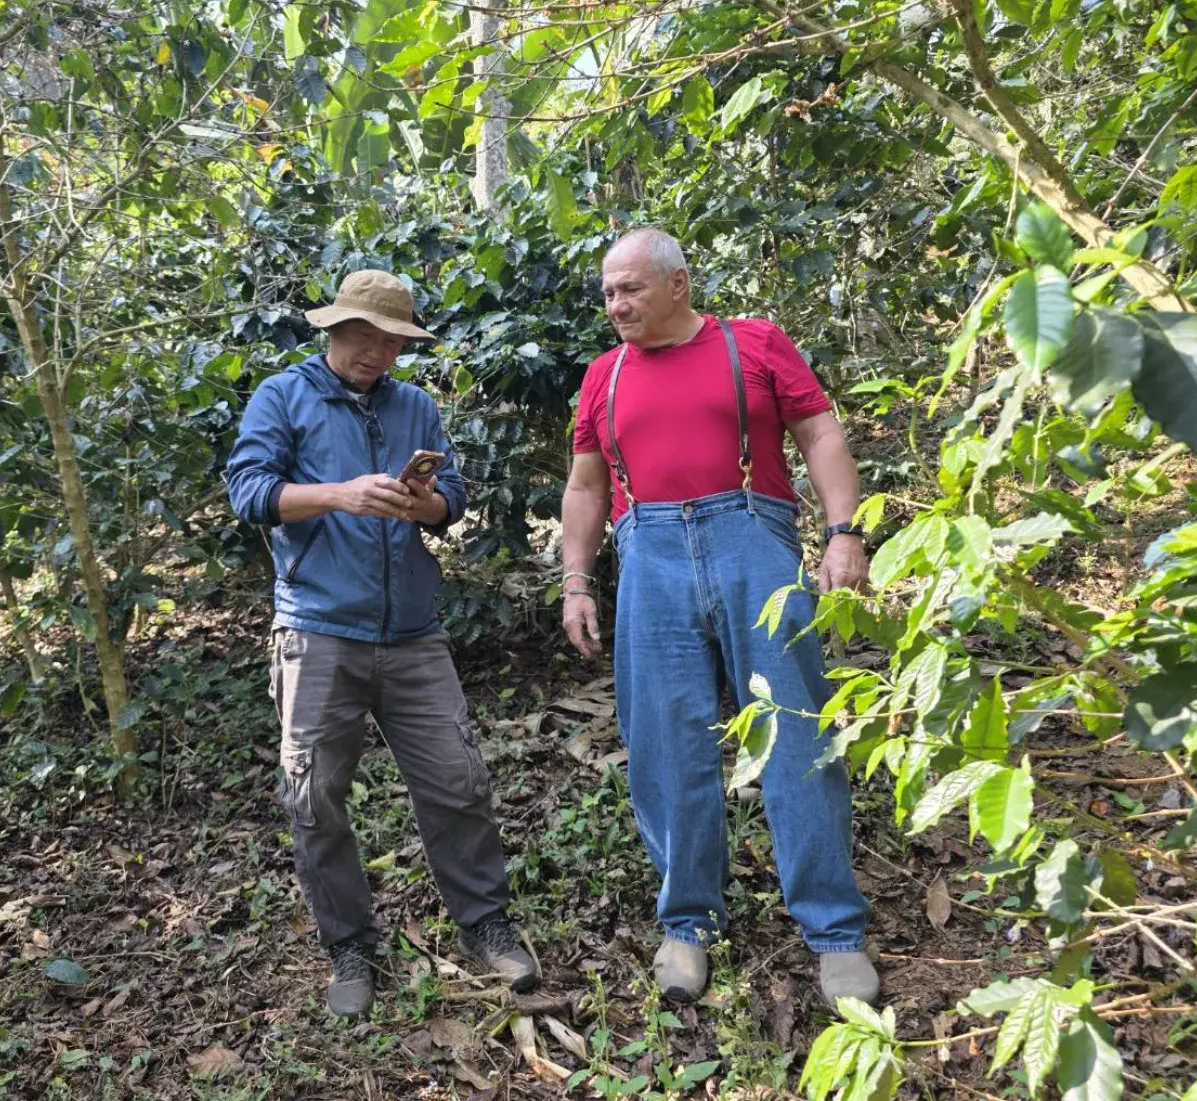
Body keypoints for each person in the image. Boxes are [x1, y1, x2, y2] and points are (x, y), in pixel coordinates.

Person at [559, 228, 878, 1007]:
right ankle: (688, 923)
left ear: (678, 282)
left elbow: (819, 433)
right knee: (665, 741)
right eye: (607, 293)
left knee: (797, 729)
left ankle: (835, 932)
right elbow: (587, 487)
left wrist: (844, 532)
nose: (617, 305)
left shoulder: (755, 344)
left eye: (630, 288)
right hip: (651, 558)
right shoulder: (604, 375)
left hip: (754, 544)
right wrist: (575, 579)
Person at [227, 269, 538, 1018]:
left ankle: (485, 923)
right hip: (317, 628)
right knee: (314, 795)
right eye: (364, 336)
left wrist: (421, 501)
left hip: (412, 632)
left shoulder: (415, 406)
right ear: (333, 329)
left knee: (458, 779)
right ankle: (351, 947)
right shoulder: (285, 396)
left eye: (392, 341)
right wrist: (341, 493)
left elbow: (451, 500)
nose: (377, 352)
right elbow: (248, 492)